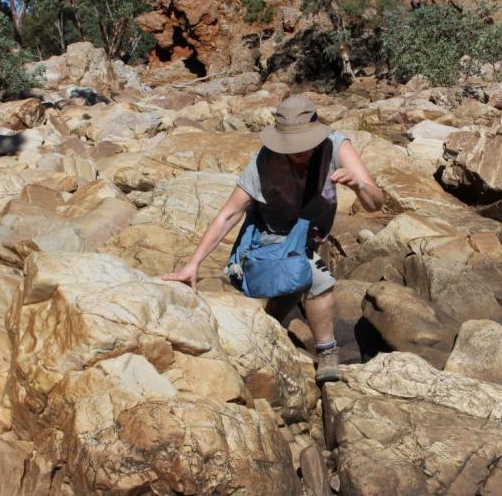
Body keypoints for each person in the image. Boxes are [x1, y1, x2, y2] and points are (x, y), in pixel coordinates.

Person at [161, 96, 384, 383]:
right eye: (292, 144)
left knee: (291, 287)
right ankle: (327, 352)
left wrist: (358, 184)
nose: (299, 151)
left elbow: (375, 203)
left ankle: (269, 326)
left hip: (314, 233)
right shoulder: (264, 160)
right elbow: (229, 214)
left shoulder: (337, 146)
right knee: (319, 283)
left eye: (304, 142)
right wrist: (193, 264)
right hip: (274, 234)